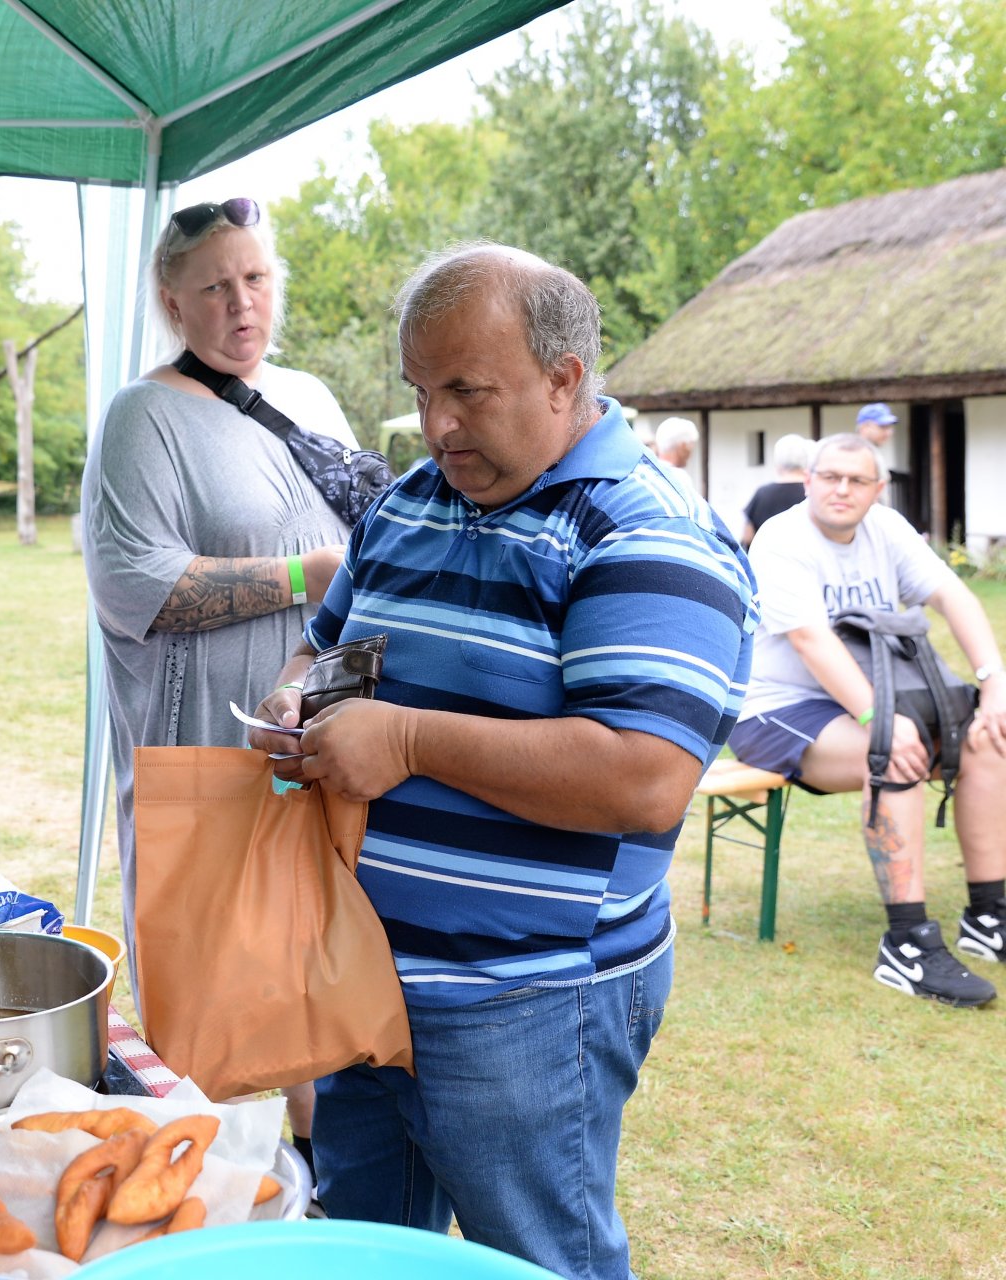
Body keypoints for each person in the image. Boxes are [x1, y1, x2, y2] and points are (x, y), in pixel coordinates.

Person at [248, 244, 756, 1280]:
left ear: (566, 376)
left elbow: (643, 774)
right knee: (365, 1251)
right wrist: (297, 694)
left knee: (538, 1261)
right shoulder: (405, 503)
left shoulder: (644, 530)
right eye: (421, 391)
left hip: (523, 1001)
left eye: (466, 391)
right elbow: (331, 641)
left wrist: (408, 738)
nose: (436, 425)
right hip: (362, 969)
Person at [81, 196, 356, 1172]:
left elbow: (371, 548)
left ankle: (315, 1180)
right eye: (215, 286)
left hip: (320, 737)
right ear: (171, 300)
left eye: (257, 279)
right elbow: (132, 586)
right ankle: (212, 1187)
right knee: (217, 1003)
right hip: (204, 745)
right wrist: (298, 579)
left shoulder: (313, 398)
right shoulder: (143, 416)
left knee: (317, 980)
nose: (243, 304)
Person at [728, 432, 1003, 1008]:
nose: (841, 490)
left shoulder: (889, 529)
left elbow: (954, 597)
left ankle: (989, 916)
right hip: (776, 708)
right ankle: (907, 945)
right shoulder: (782, 538)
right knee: (893, 751)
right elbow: (810, 641)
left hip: (863, 699)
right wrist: (880, 716)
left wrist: (994, 684)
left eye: (856, 480)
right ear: (808, 481)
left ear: (878, 490)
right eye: (829, 477)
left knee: (988, 736)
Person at [739, 432, 817, 547]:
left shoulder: (762, 493)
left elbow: (748, 536)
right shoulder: (814, 492)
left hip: (767, 559)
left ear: (777, 462)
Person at [855, 402, 906, 510]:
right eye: (883, 427)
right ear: (865, 427)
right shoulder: (856, 454)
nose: (889, 432)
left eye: (889, 427)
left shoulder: (873, 452)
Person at [653, 415, 700, 494]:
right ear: (683, 446)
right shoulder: (681, 478)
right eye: (690, 446)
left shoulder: (648, 472)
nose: (690, 454)